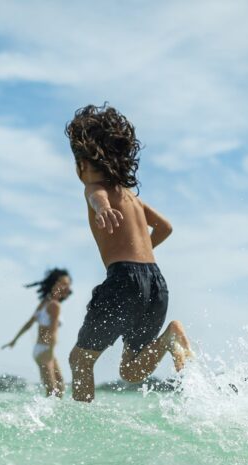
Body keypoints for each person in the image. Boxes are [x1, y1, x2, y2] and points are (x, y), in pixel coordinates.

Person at [65, 104, 192, 402]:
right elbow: (165, 227)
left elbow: (95, 196)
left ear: (82, 163)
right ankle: (170, 336)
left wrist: (103, 207)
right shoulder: (132, 198)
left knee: (80, 360)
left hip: (123, 281)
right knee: (131, 370)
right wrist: (142, 252)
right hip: (156, 285)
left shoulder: (96, 187)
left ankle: (83, 428)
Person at [2, 269, 73, 397]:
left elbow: (29, 324)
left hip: (41, 349)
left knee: (60, 386)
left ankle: (49, 414)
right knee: (53, 391)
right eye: (63, 283)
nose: (66, 287)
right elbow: (53, 331)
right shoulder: (54, 306)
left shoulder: (45, 303)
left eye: (67, 284)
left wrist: (14, 340)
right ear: (54, 284)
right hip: (46, 350)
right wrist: (51, 352)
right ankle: (43, 415)